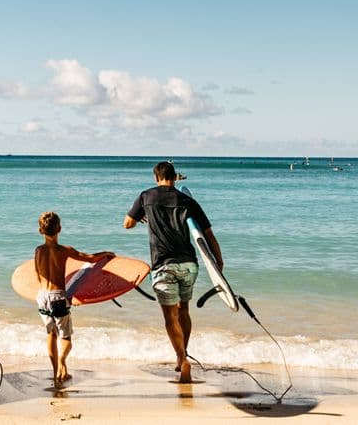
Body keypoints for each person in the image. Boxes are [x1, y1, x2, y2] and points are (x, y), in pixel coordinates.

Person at [123, 162, 222, 383]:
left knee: (170, 317)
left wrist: (143, 217)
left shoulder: (146, 197)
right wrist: (219, 262)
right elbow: (207, 234)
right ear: (175, 178)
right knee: (184, 310)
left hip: (163, 265)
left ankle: (182, 359)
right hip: (189, 265)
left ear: (156, 177)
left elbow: (127, 224)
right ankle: (182, 356)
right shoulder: (188, 201)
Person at [33, 211, 112, 386]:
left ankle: (57, 373)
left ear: (40, 230)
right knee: (66, 336)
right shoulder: (64, 250)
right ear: (59, 229)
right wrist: (106, 254)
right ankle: (62, 361)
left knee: (51, 334)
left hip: (42, 296)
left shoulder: (38, 251)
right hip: (58, 297)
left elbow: (38, 274)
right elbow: (89, 258)